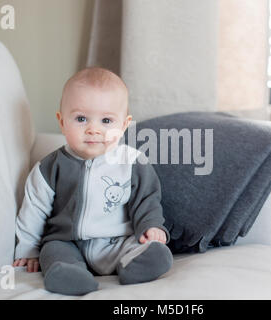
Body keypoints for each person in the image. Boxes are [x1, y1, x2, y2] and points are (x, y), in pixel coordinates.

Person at [12, 67, 173, 296]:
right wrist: (28, 248)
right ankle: (69, 275)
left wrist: (152, 226)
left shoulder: (132, 163)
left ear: (124, 125)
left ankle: (137, 265)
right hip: (67, 242)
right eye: (81, 119)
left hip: (117, 241)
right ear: (62, 121)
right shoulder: (49, 168)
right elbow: (33, 211)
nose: (93, 130)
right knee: (53, 252)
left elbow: (147, 200)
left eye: (106, 120)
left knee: (141, 246)